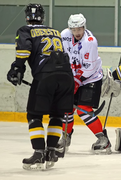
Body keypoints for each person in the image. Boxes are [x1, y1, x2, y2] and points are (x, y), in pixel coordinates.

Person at [6, 4, 74, 170]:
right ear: (43, 17)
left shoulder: (25, 30)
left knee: (34, 115)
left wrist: (17, 68)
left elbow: (23, 51)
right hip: (66, 75)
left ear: (27, 17)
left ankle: (38, 153)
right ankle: (51, 152)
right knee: (56, 115)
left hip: (45, 76)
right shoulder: (55, 32)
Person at [56, 13, 121, 154]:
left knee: (83, 110)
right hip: (73, 77)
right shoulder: (64, 35)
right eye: (74, 29)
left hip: (90, 77)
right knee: (66, 109)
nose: (77, 32)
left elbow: (89, 67)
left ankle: (104, 140)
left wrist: (77, 82)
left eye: (79, 29)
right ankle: (65, 138)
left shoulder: (90, 41)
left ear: (84, 27)